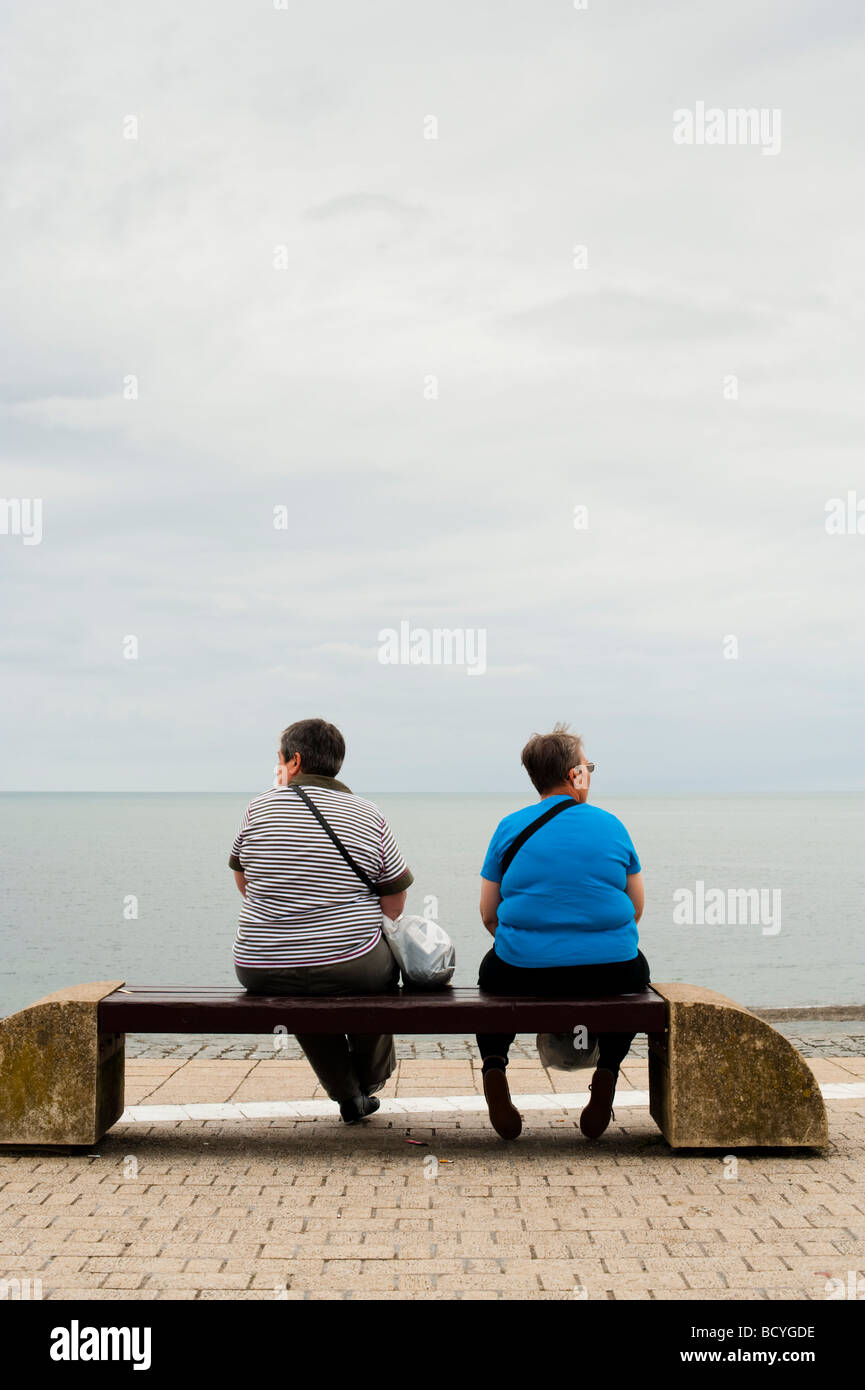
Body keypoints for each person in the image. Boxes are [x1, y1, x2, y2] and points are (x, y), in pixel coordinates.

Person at [229, 718, 413, 1123]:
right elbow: (395, 903)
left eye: (278, 758)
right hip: (352, 963)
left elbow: (244, 883)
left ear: (294, 761)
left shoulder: (256, 808)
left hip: (261, 965)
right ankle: (369, 1078)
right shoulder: (367, 813)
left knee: (298, 990)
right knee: (379, 978)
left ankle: (348, 1093)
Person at [476, 724, 649, 1141]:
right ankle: (607, 1072)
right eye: (587, 766)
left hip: (523, 970)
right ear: (576, 775)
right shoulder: (612, 826)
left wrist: (534, 945)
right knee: (636, 975)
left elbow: (488, 914)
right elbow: (636, 909)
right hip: (611, 970)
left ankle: (495, 1066)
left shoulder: (509, 827)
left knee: (489, 975)